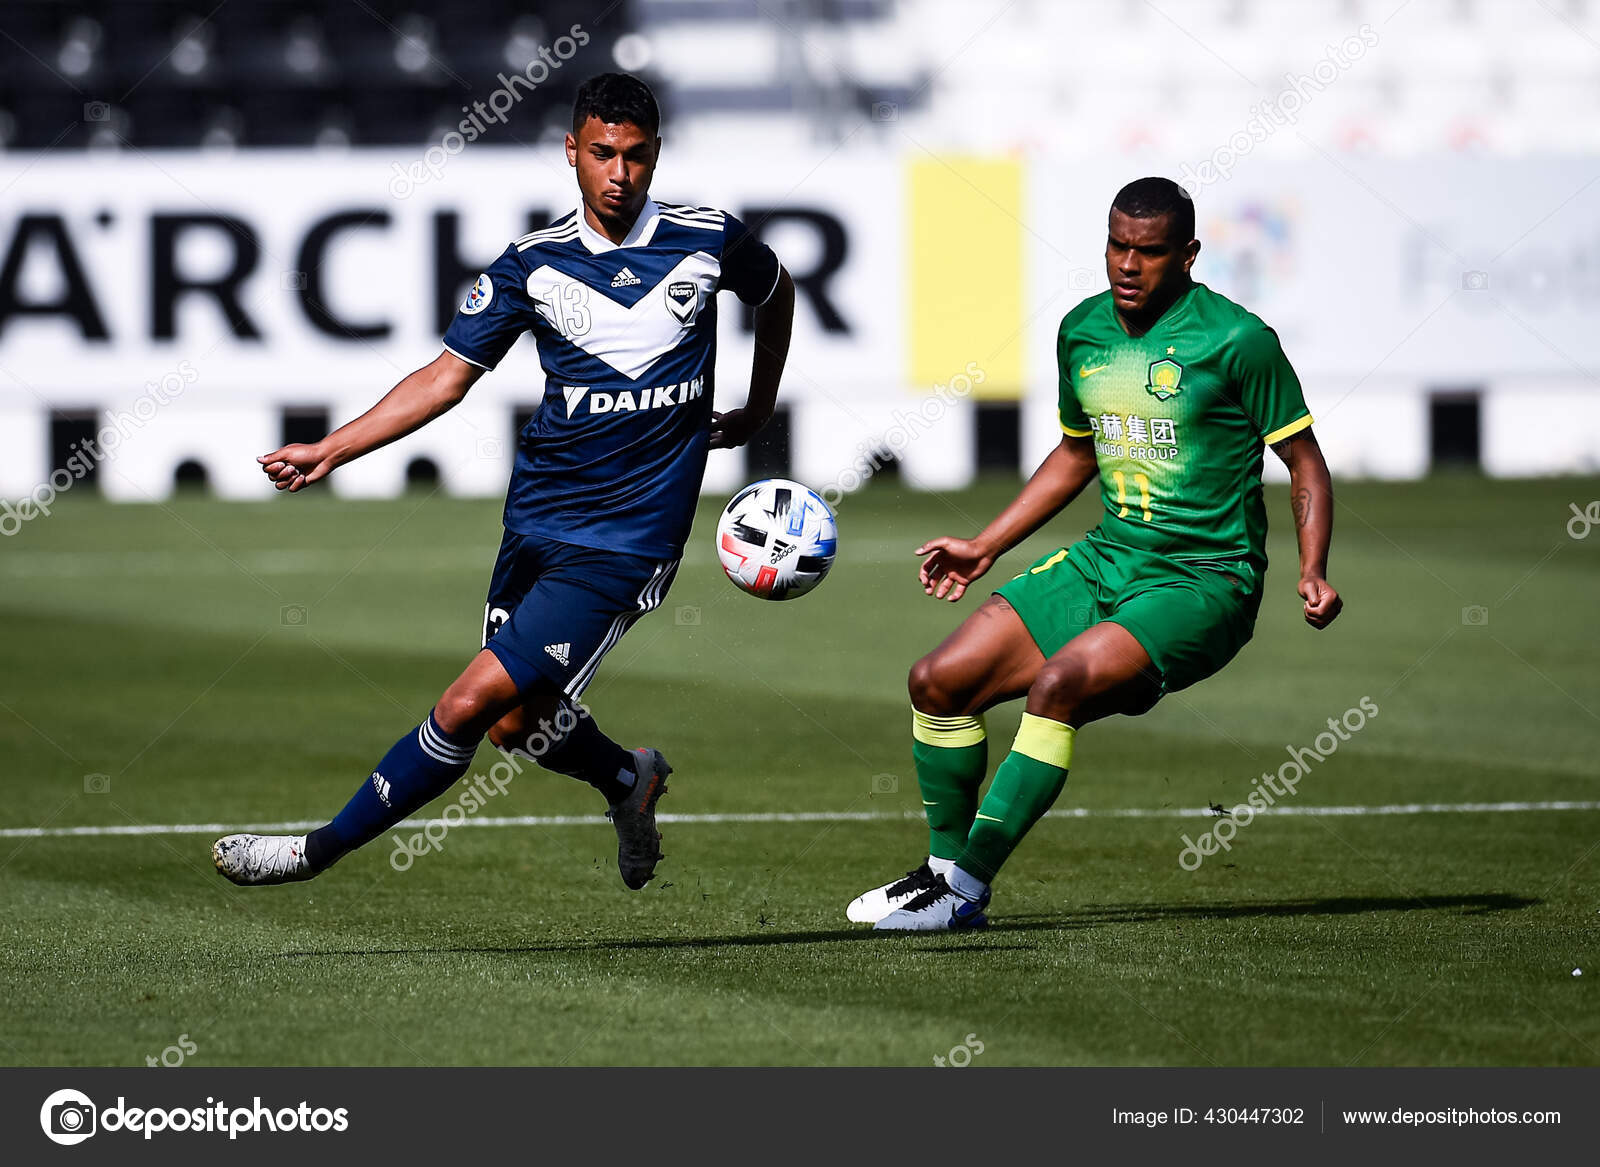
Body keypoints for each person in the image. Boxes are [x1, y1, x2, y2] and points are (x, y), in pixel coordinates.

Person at [213, 72, 795, 891]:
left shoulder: (709, 238)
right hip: (537, 523)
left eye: (634, 155)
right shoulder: (533, 263)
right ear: (571, 152)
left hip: (626, 544)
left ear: (656, 154)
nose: (619, 173)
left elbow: (776, 291)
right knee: (515, 724)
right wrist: (334, 449)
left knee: (466, 702)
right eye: (602, 154)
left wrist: (759, 402)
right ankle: (631, 779)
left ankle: (314, 851)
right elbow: (445, 379)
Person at [853, 176, 1341, 931]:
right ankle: (941, 873)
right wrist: (986, 543)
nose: (1127, 263)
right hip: (1107, 558)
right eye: (1117, 245)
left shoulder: (1238, 341)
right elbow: (1078, 454)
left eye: (1148, 251)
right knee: (937, 681)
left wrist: (1312, 567)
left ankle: (966, 892)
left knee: (1059, 686)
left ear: (1188, 255)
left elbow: (1304, 463)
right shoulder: (1083, 330)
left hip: (1205, 581)